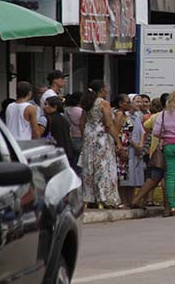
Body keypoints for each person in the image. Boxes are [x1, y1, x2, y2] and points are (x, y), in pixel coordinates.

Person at [79, 80, 124, 209]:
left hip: (89, 137)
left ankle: (89, 198)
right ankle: (106, 198)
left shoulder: (87, 103)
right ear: (101, 90)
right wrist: (118, 142)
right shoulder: (103, 103)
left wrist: (86, 136)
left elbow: (82, 123)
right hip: (101, 137)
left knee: (89, 167)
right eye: (106, 88)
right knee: (104, 167)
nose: (107, 90)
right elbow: (109, 124)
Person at [44, 96, 74, 170]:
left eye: (46, 104)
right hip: (66, 151)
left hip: (52, 152)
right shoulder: (64, 119)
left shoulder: (46, 119)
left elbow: (37, 134)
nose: (44, 107)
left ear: (54, 107)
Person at [65, 92, 84, 176]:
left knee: (71, 161)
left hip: (69, 137)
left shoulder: (66, 110)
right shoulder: (81, 111)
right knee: (78, 162)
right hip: (79, 137)